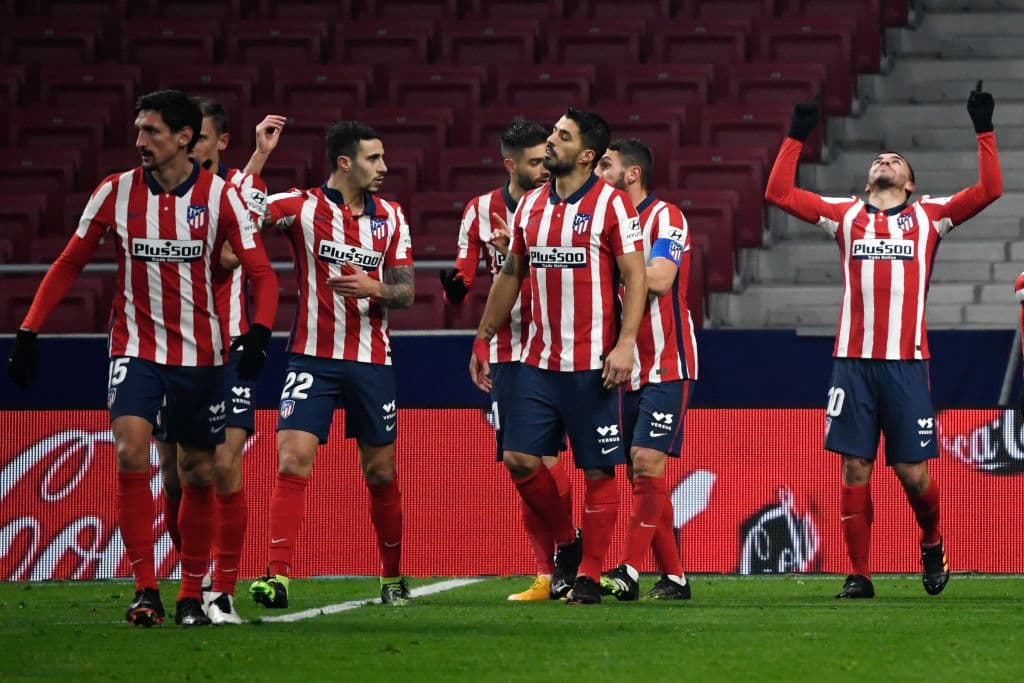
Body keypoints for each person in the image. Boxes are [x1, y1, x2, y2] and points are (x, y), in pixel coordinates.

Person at [6, 90, 279, 626]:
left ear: (183, 137)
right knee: (131, 450)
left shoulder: (221, 198)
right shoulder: (114, 191)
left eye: (151, 131)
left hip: (205, 355)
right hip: (137, 347)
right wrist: (27, 331)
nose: (139, 141)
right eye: (138, 130)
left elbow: (264, 274)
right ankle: (145, 589)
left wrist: (261, 334)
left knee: (198, 471)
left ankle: (191, 593)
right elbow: (68, 263)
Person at [764, 84, 1002, 598]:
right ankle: (860, 573)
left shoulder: (930, 218)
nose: (885, 161)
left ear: (911, 184)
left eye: (895, 160)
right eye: (880, 159)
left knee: (913, 473)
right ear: (869, 179)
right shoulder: (845, 216)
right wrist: (795, 137)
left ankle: (933, 540)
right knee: (854, 465)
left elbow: (990, 190)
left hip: (906, 364)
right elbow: (779, 193)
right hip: (852, 364)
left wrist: (984, 129)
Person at [469, 108, 647, 605]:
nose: (550, 140)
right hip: (535, 362)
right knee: (518, 457)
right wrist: (484, 337)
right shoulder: (529, 207)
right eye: (553, 133)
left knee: (598, 471)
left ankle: (589, 574)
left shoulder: (613, 206)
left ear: (586, 155)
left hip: (593, 366)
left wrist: (626, 343)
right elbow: (510, 275)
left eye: (561, 136)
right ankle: (569, 543)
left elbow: (634, 277)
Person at [248, 120, 415, 608]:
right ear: (345, 162)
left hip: (371, 361)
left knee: (380, 473)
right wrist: (260, 156)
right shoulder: (301, 207)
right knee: (292, 460)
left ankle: (391, 576)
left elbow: (405, 292)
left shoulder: (393, 217)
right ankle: (276, 575)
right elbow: (239, 213)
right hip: (311, 358)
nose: (384, 167)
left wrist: (376, 288)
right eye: (374, 158)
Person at [154, 97, 286, 625]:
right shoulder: (157, 196)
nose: (190, 147)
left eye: (200, 138)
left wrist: (258, 158)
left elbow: (232, 253)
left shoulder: (235, 194)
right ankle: (196, 578)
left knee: (225, 466)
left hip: (228, 349)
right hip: (169, 350)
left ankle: (222, 591)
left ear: (217, 142)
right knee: (175, 475)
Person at [440, 119, 572, 601]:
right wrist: (460, 300)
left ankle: (567, 562)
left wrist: (517, 253)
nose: (544, 169)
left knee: (549, 461)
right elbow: (465, 279)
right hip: (508, 350)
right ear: (511, 164)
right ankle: (550, 568)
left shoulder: (558, 206)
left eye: (547, 160)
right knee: (523, 461)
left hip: (559, 346)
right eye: (535, 162)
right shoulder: (478, 211)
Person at [595, 138, 697, 601]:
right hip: (626, 366)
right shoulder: (602, 226)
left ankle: (631, 570)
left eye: (605, 164)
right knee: (642, 477)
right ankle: (675, 577)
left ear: (631, 173)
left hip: (668, 360)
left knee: (645, 461)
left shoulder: (665, 216)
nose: (596, 171)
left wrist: (609, 264)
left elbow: (658, 278)